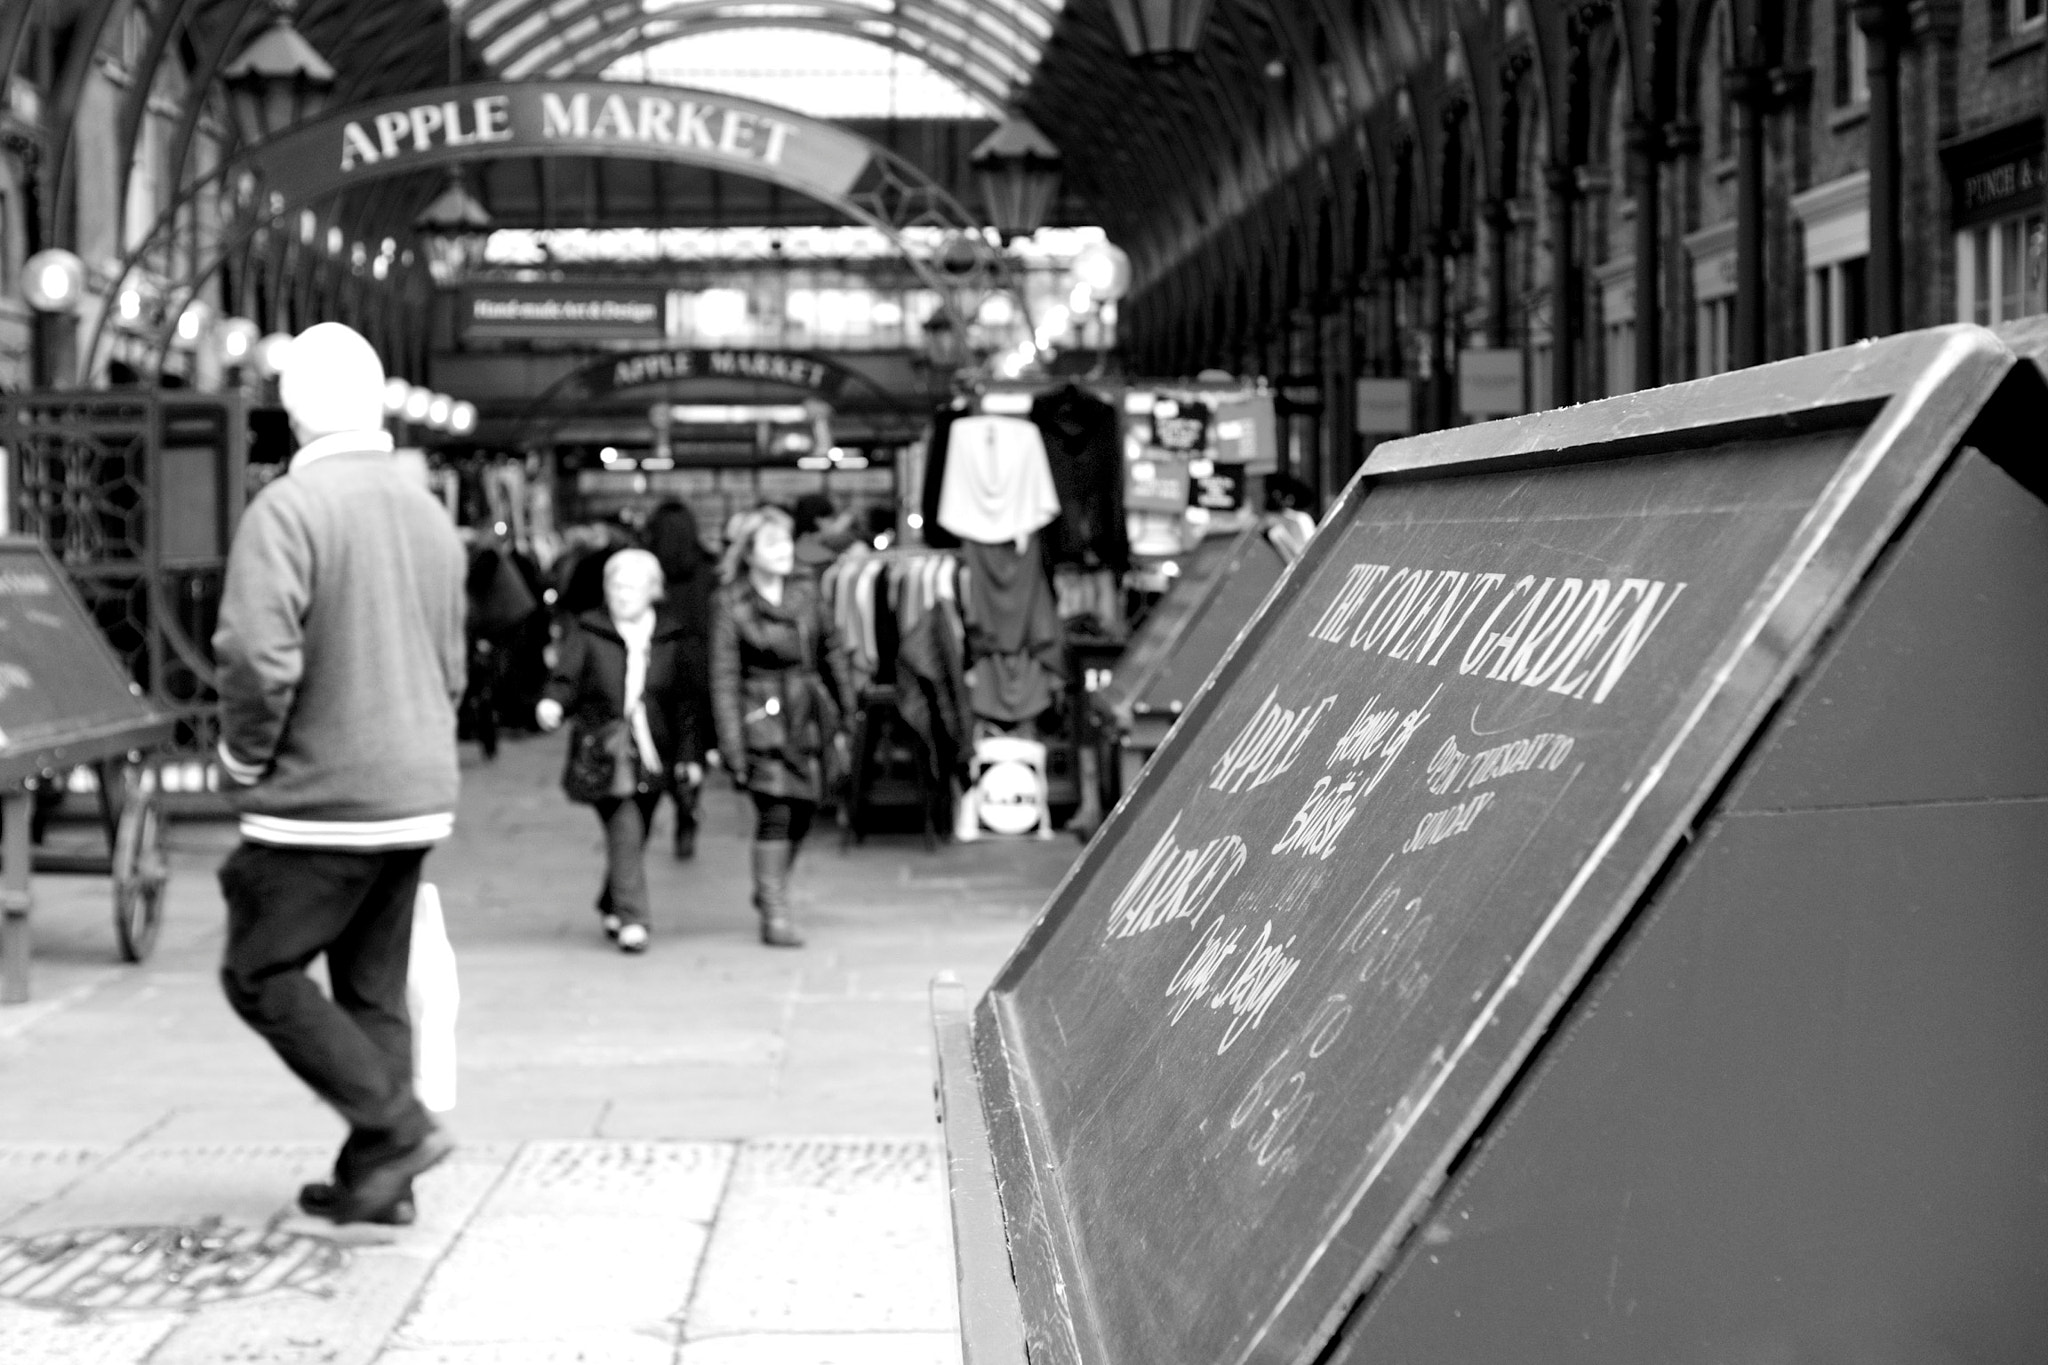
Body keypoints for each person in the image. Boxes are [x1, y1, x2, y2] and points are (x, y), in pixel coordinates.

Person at [212, 322, 466, 1227]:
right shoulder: (426, 508)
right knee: (372, 986)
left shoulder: (288, 509)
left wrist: (243, 756)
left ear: (289, 412)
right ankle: (376, 1183)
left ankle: (397, 1127)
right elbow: (453, 657)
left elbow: (254, 655)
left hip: (325, 795)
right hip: (414, 789)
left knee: (259, 970)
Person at [536, 549, 701, 953]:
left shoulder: (671, 637)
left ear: (653, 591)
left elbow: (686, 705)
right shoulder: (589, 631)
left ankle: (611, 900)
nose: (623, 594)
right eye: (616, 586)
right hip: (605, 750)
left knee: (637, 829)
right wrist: (553, 702)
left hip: (654, 751)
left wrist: (690, 755)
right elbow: (567, 677)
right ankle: (634, 919)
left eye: (632, 586)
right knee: (624, 823)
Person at [711, 507, 841, 948]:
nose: (785, 551)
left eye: (786, 542)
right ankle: (775, 912)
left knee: (805, 808)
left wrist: (846, 707)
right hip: (760, 715)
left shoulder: (808, 591)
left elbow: (833, 648)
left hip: (806, 713)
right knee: (777, 809)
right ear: (749, 553)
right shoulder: (731, 602)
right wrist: (732, 747)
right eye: (773, 544)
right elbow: (724, 677)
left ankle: (770, 887)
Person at [642, 500, 714, 859]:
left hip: (656, 668)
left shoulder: (646, 569)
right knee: (692, 745)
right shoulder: (708, 569)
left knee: (659, 744)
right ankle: (688, 807)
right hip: (698, 671)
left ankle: (666, 802)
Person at [792, 492, 860, 579]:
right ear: (818, 520)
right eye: (831, 518)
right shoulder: (815, 552)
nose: (833, 522)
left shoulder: (798, 544)